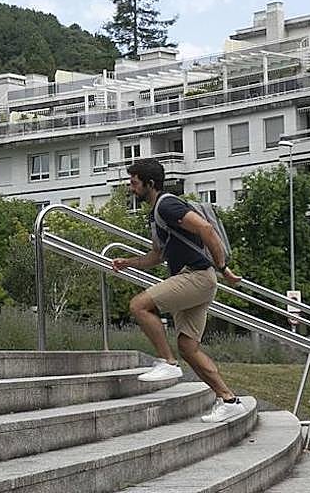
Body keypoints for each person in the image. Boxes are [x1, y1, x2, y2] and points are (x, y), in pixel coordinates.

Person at [111, 158, 245, 423]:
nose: (130, 187)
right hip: (196, 280)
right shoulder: (156, 213)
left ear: (150, 183)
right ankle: (229, 400)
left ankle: (167, 362)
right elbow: (158, 255)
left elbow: (206, 229)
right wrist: (128, 263)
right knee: (188, 347)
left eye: (134, 182)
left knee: (139, 305)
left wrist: (222, 266)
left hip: (195, 277)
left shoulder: (168, 204)